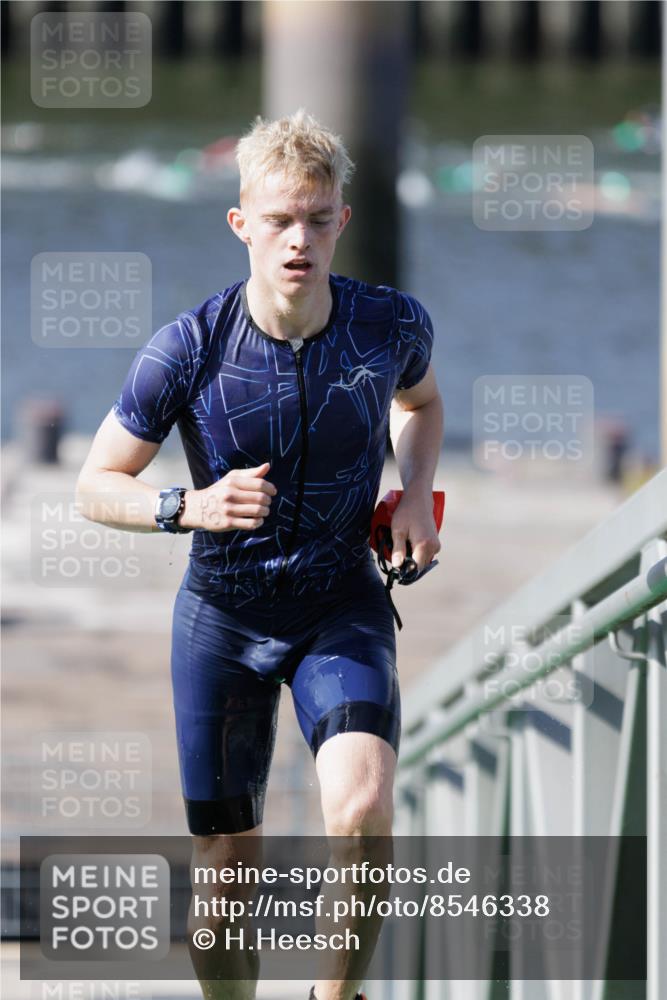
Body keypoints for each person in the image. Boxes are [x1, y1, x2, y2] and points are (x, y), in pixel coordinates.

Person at [76, 108, 444, 1000]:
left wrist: (417, 501)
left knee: (359, 808)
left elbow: (421, 406)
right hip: (223, 623)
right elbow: (94, 484)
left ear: (341, 223)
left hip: (339, 609)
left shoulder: (388, 324)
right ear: (241, 223)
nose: (299, 240)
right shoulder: (187, 349)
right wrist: (188, 505)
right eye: (279, 219)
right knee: (217, 905)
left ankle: (335, 995)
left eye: (317, 219)